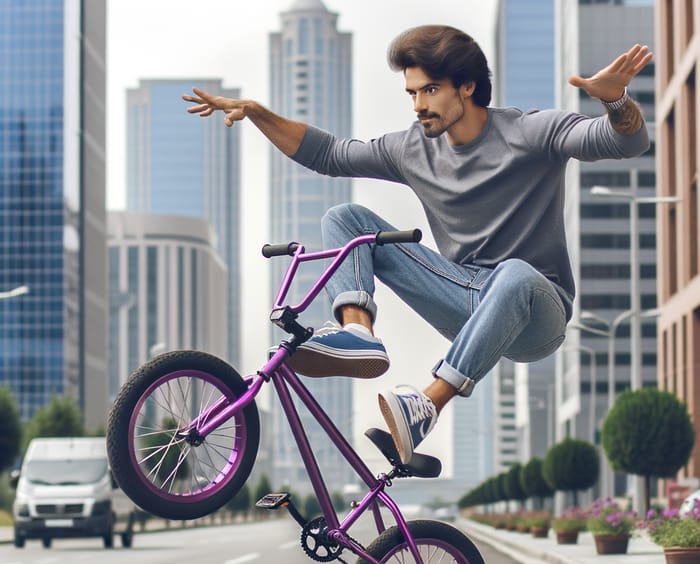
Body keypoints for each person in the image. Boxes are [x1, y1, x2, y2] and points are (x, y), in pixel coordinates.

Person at [183, 25, 651, 465]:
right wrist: (259, 114)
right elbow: (329, 155)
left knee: (514, 273)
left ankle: (427, 405)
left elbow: (622, 144)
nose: (418, 105)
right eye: (412, 93)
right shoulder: (411, 149)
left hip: (537, 310)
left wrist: (616, 103)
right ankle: (357, 333)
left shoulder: (530, 132)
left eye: (429, 90)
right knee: (345, 218)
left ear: (466, 87)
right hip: (465, 296)